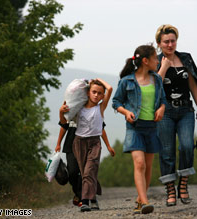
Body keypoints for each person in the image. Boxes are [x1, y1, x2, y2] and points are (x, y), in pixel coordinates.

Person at [155, 24, 197, 206]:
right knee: (167, 151)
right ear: (159, 44)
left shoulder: (186, 58)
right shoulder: (155, 60)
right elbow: (153, 87)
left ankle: (183, 185)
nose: (170, 44)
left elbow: (193, 85)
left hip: (186, 110)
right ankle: (170, 190)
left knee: (186, 146)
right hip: (165, 111)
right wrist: (163, 67)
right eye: (166, 42)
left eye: (173, 41)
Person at [112, 45, 166, 214]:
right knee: (140, 163)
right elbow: (116, 102)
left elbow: (163, 100)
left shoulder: (157, 79)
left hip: (152, 127)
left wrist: (162, 108)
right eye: (155, 58)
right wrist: (126, 112)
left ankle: (139, 199)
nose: (158, 61)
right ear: (145, 61)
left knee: (148, 166)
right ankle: (145, 201)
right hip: (134, 128)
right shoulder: (126, 81)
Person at [62, 78, 113, 212]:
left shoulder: (100, 107)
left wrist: (98, 80)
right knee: (85, 173)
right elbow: (64, 121)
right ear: (88, 93)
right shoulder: (79, 109)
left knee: (89, 170)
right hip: (79, 142)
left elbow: (110, 89)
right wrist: (61, 112)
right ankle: (93, 199)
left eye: (99, 93)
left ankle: (85, 201)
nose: (96, 95)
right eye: (94, 92)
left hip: (95, 142)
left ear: (102, 96)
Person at [55, 101, 115, 208]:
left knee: (87, 172)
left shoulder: (92, 110)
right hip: (71, 144)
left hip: (88, 145)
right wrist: (58, 143)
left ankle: (87, 198)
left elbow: (101, 128)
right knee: (73, 172)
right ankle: (79, 194)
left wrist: (108, 146)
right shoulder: (72, 107)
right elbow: (64, 126)